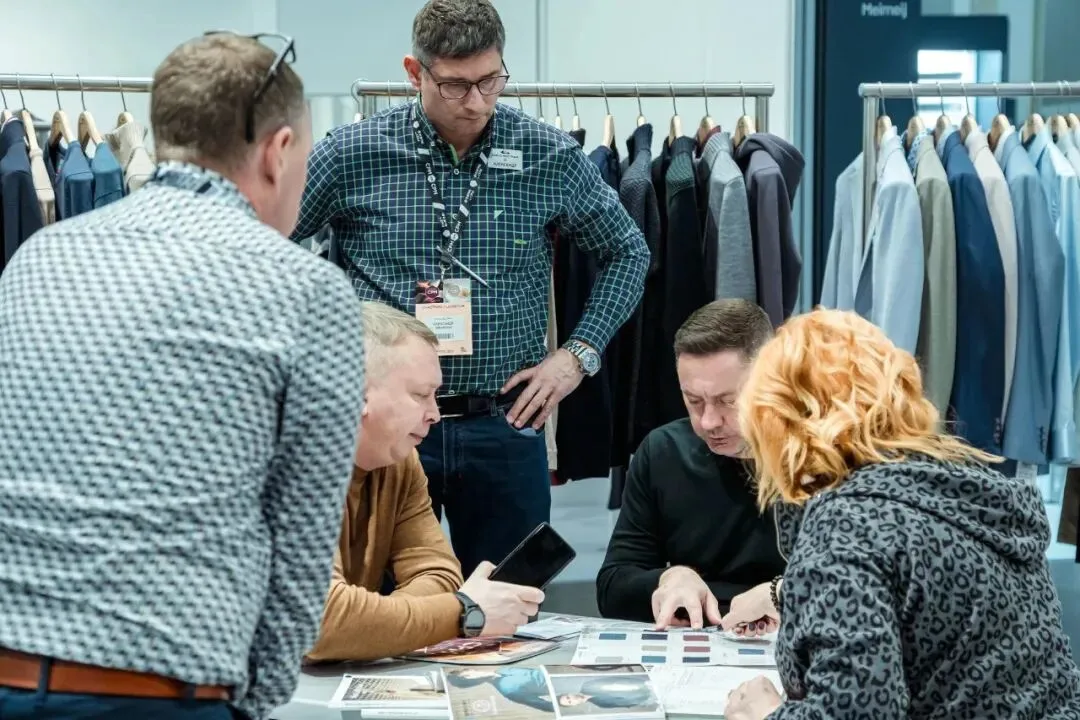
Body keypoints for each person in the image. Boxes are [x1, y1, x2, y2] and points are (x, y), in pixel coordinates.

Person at [0, 34, 366, 720]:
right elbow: (301, 545)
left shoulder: (36, 259)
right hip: (159, 694)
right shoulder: (306, 290)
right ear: (278, 151)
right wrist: (247, 703)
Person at [291, 0, 650, 576]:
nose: (478, 102)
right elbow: (268, 250)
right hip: (386, 429)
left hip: (503, 423)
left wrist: (576, 356)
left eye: (491, 81)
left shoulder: (547, 155)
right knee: (378, 602)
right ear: (415, 72)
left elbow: (629, 252)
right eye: (456, 86)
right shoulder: (351, 155)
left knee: (513, 598)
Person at [721, 309, 1080, 720]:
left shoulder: (846, 523)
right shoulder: (967, 489)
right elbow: (934, 600)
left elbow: (857, 712)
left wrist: (765, 713)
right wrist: (787, 593)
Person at [305, 302, 544, 663]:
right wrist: (464, 612)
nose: (435, 414)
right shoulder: (276, 467)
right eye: (419, 395)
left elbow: (439, 572)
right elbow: (318, 622)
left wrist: (368, 628)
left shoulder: (398, 460)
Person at [596, 300, 792, 629]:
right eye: (694, 401)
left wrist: (785, 592)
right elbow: (612, 587)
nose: (708, 421)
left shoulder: (823, 455)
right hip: (700, 638)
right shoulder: (664, 452)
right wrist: (670, 578)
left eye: (728, 401)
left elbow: (865, 578)